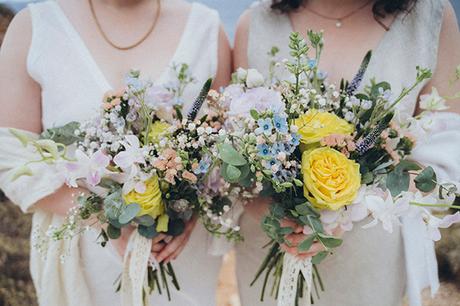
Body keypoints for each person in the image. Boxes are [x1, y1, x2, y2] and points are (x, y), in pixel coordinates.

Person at [0, 0, 231, 305]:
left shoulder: (206, 28)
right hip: (82, 258)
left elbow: (225, 147)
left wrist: (193, 211)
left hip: (177, 257)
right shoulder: (34, 27)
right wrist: (102, 216)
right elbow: (11, 153)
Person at [233, 0, 460, 305]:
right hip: (269, 246)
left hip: (369, 258)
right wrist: (275, 215)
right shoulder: (256, 22)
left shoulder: (429, 17)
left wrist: (348, 208)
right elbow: (235, 157)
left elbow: (446, 151)